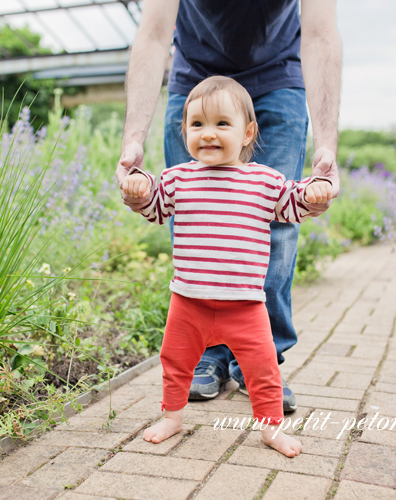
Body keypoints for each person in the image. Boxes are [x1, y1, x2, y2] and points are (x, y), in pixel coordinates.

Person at [116, 0, 342, 413]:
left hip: (277, 77)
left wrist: (321, 167)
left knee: (276, 226)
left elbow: (321, 34)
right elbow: (152, 34)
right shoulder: (191, 140)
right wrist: (134, 148)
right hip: (195, 80)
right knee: (194, 210)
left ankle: (259, 362)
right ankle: (206, 356)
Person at [121, 76, 333, 457]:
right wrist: (136, 188)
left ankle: (271, 430)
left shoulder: (264, 181)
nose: (208, 133)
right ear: (183, 130)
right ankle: (172, 417)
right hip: (189, 301)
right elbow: (153, 207)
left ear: (248, 131)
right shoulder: (177, 178)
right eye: (197, 124)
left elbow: (295, 203)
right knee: (175, 360)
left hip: (246, 305)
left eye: (222, 123)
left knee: (264, 369)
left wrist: (315, 190)